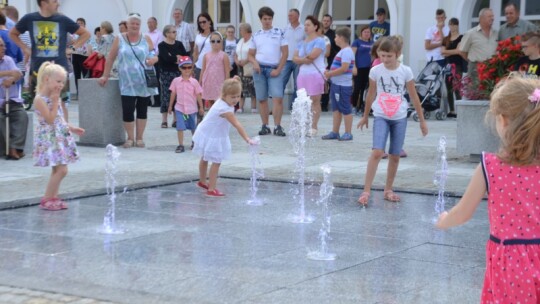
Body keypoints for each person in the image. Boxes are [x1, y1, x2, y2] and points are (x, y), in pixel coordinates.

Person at [436, 76, 540, 303]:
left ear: (503, 121)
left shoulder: (491, 166)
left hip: (511, 263)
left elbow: (462, 213)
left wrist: (444, 220)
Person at [357, 36, 428, 206]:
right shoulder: (375, 71)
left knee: (395, 155)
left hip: (399, 117)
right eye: (382, 55)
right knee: (377, 152)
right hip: (381, 115)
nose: (385, 59)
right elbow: (371, 94)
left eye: (389, 56)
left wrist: (422, 121)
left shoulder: (405, 71)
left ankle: (388, 189)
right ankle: (366, 190)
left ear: (397, 54)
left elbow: (413, 96)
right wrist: (366, 115)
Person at [9, 0, 90, 122]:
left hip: (59, 70)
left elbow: (85, 34)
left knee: (62, 105)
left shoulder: (62, 19)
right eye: (54, 1)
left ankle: (63, 136)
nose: (58, 4)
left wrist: (72, 49)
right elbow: (13, 33)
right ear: (44, 3)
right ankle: (46, 138)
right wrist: (25, 48)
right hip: (38, 70)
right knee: (41, 106)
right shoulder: (30, 18)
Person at [97, 13, 159, 149]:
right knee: (128, 110)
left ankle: (140, 138)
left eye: (137, 24)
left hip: (144, 81)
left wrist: (154, 59)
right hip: (127, 82)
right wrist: (105, 75)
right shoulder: (119, 38)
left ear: (140, 25)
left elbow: (153, 53)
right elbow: (111, 57)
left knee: (142, 109)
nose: (135, 26)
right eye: (132, 23)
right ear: (127, 25)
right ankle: (130, 138)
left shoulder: (146, 38)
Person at [32, 62, 84, 211]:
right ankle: (47, 198)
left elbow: (60, 118)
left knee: (57, 170)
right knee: (62, 170)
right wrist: (55, 102)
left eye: (63, 82)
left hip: (59, 135)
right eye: (58, 81)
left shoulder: (55, 97)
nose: (61, 85)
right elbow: (50, 118)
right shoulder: (40, 99)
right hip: (50, 137)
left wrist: (72, 128)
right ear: (47, 79)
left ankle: (53, 197)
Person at [192, 78, 254, 197]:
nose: (236, 100)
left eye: (238, 96)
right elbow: (236, 124)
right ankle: (211, 189)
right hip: (212, 136)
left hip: (207, 132)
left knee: (204, 157)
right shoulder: (224, 109)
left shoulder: (222, 101)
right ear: (224, 95)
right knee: (216, 161)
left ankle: (202, 181)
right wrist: (247, 139)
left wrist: (236, 80)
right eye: (232, 97)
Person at [249, 6, 288, 137]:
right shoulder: (256, 35)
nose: (267, 21)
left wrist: (279, 69)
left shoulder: (279, 32)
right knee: (262, 99)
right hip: (259, 69)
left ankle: (277, 126)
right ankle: (265, 126)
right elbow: (250, 54)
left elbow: (285, 53)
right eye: (265, 19)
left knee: (278, 98)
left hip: (274, 68)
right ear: (260, 19)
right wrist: (255, 63)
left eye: (269, 19)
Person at [293, 15, 325, 137]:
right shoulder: (301, 43)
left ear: (315, 27)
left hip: (315, 74)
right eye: (305, 25)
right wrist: (302, 59)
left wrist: (300, 59)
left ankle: (313, 126)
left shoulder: (319, 41)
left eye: (308, 25)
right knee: (303, 101)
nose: (305, 27)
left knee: (315, 100)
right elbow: (294, 58)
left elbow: (312, 56)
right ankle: (304, 125)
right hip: (302, 74)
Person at [322, 27, 355, 141]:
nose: (334, 39)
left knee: (345, 109)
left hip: (343, 86)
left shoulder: (346, 51)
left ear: (341, 37)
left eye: (336, 36)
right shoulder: (343, 51)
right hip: (336, 85)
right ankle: (335, 132)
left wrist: (330, 73)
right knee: (336, 109)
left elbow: (345, 68)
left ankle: (348, 132)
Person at [168, 56, 204, 153]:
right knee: (180, 126)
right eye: (184, 67)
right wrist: (170, 106)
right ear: (180, 68)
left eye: (189, 67)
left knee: (193, 126)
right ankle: (180, 144)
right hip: (180, 109)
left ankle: (194, 142)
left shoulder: (194, 82)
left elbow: (198, 95)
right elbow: (173, 94)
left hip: (192, 109)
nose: (187, 70)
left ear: (192, 68)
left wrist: (201, 107)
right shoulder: (176, 81)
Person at [158, 24, 188, 128]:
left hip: (178, 73)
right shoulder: (161, 45)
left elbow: (185, 57)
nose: (176, 33)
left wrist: (175, 58)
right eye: (173, 32)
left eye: (175, 32)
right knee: (166, 95)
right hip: (166, 73)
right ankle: (164, 120)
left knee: (178, 95)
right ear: (167, 34)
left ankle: (175, 119)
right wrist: (176, 58)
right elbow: (166, 58)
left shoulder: (179, 44)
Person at [0, 37, 25, 160]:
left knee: (22, 116)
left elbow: (18, 73)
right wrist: (6, 74)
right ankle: (10, 149)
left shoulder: (8, 60)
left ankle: (15, 147)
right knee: (1, 119)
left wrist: (12, 80)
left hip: (11, 100)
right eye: (0, 46)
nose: (3, 48)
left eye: (3, 45)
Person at [459, 8, 498, 83]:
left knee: (490, 93)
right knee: (475, 93)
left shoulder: (496, 33)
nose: (492, 18)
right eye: (489, 16)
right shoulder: (470, 33)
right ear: (481, 18)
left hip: (492, 69)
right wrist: (472, 62)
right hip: (475, 69)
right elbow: (462, 51)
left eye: (492, 16)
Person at [200, 31, 229, 109]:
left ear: (221, 42)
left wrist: (227, 84)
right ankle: (211, 116)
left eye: (218, 41)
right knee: (210, 100)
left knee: (220, 100)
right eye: (213, 41)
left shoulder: (224, 55)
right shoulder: (206, 55)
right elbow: (203, 70)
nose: (215, 43)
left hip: (220, 82)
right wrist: (200, 83)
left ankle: (219, 117)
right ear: (210, 42)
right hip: (209, 81)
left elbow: (227, 71)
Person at [282, 8, 305, 109]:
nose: (289, 17)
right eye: (288, 15)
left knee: (298, 84)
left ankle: (294, 106)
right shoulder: (285, 29)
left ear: (297, 16)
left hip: (298, 61)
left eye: (291, 15)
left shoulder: (304, 29)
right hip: (286, 60)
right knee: (281, 82)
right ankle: (277, 106)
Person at [441, 17, 464, 118]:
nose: (452, 27)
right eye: (450, 24)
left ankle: (460, 110)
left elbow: (459, 51)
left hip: (457, 65)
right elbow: (442, 52)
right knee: (449, 87)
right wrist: (453, 51)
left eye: (454, 24)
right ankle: (452, 110)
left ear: (457, 25)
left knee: (457, 87)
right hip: (448, 66)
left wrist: (448, 52)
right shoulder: (446, 39)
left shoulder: (461, 38)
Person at [235, 23, 257, 114]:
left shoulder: (252, 41)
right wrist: (236, 60)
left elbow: (254, 53)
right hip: (240, 67)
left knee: (252, 87)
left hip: (249, 66)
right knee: (241, 87)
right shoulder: (240, 41)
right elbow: (236, 53)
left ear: (246, 31)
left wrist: (245, 61)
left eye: (241, 30)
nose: (240, 32)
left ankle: (253, 108)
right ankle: (240, 107)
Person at [351, 25, 373, 114]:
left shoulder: (372, 43)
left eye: (368, 32)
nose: (367, 34)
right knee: (357, 88)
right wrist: (354, 67)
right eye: (365, 32)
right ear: (361, 33)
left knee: (364, 89)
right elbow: (352, 55)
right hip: (359, 68)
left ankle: (360, 107)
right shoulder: (357, 42)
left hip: (368, 69)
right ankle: (353, 106)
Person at [321, 14, 338, 112]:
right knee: (323, 84)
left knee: (331, 84)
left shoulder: (334, 34)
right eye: (324, 20)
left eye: (328, 21)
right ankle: (323, 104)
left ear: (331, 22)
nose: (326, 22)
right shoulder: (318, 34)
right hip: (322, 63)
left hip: (332, 61)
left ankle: (332, 103)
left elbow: (338, 48)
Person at [70, 17, 91, 93]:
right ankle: (79, 93)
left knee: (85, 74)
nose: (79, 25)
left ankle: (87, 92)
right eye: (78, 23)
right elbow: (71, 44)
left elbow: (89, 44)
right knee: (77, 75)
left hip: (84, 56)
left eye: (81, 23)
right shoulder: (73, 34)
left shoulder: (87, 33)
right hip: (75, 55)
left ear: (84, 25)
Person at [146, 17, 163, 108]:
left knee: (155, 80)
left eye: (152, 22)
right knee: (147, 79)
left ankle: (157, 100)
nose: (150, 24)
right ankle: (147, 100)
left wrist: (153, 58)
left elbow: (158, 47)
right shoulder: (145, 34)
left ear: (156, 23)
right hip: (146, 59)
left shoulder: (159, 34)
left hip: (155, 59)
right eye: (148, 22)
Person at [192, 12, 214, 82]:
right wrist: (192, 67)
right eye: (200, 22)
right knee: (199, 89)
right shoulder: (198, 36)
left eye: (204, 22)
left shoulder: (216, 34)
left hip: (212, 66)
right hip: (199, 66)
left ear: (209, 21)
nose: (202, 24)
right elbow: (195, 53)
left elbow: (220, 51)